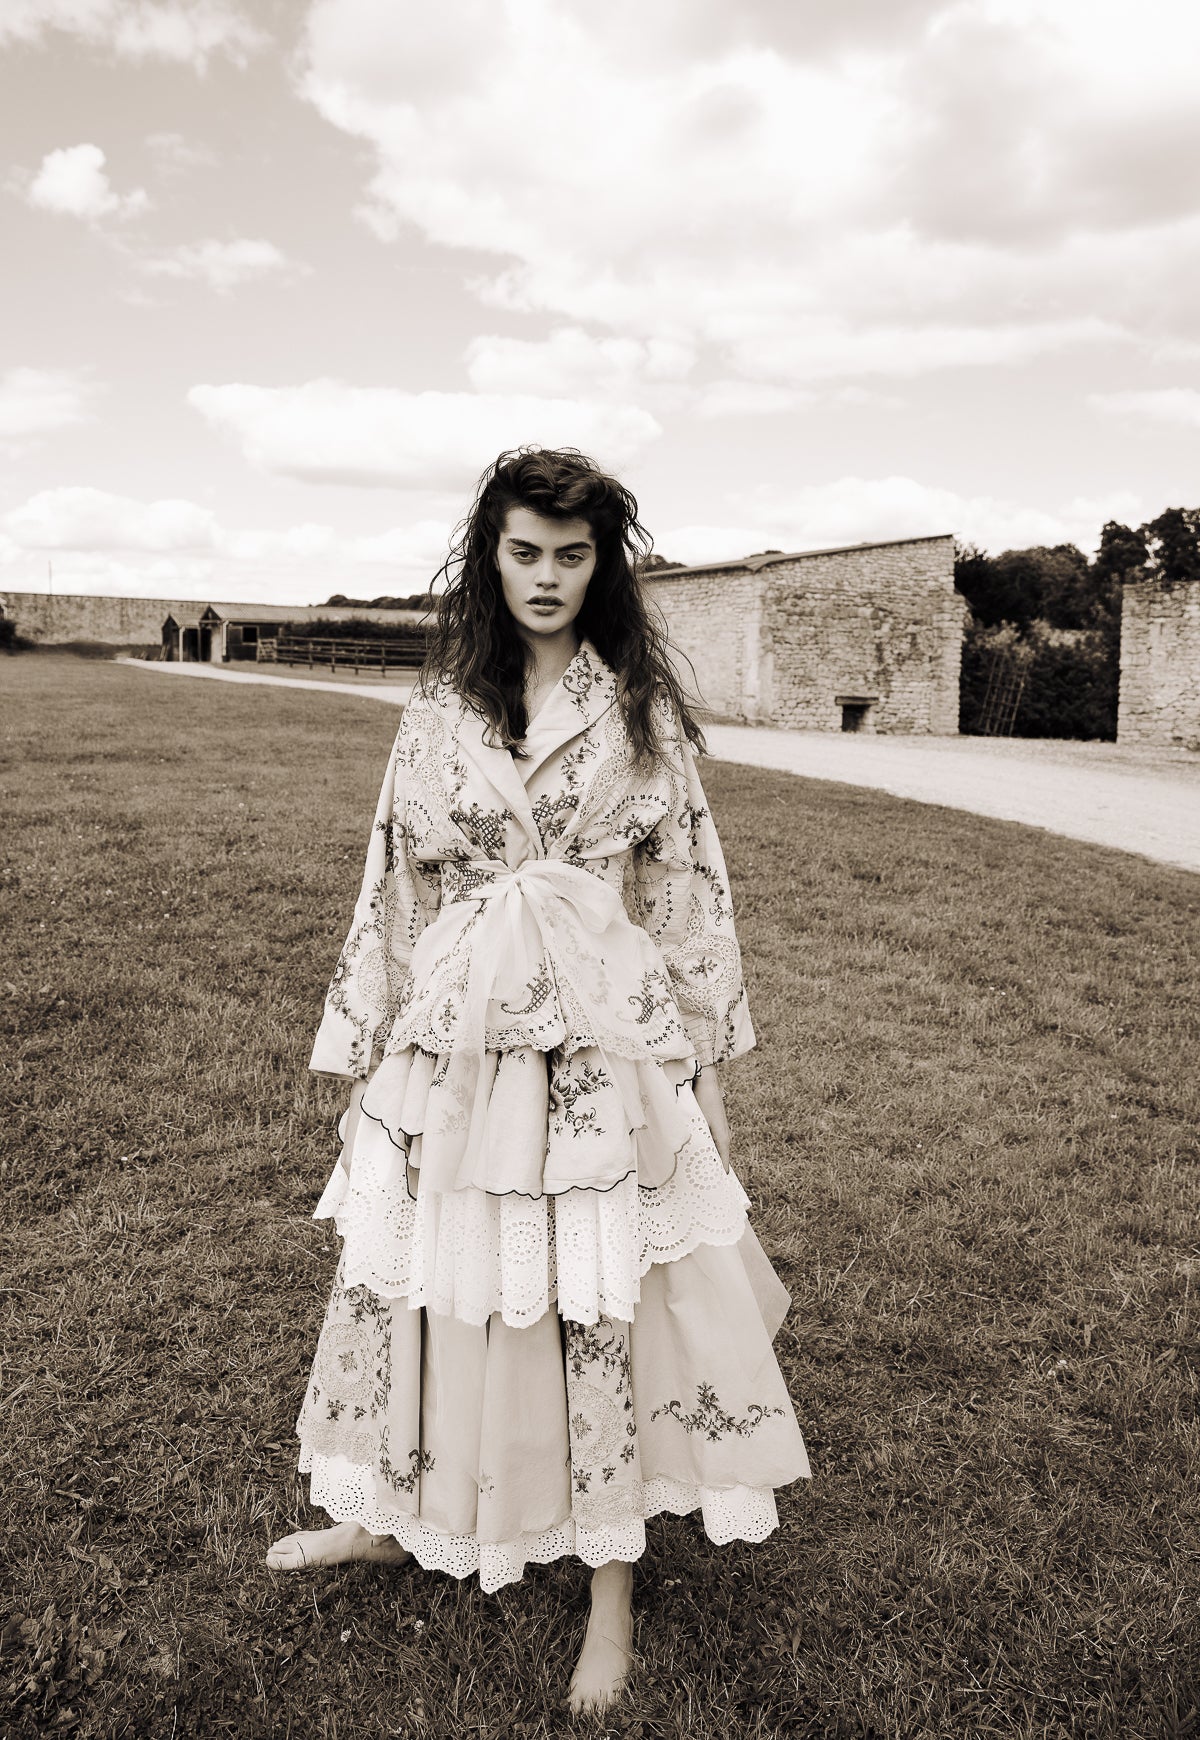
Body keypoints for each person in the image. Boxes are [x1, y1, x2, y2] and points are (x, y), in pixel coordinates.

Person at [266, 447, 810, 1716]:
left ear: (601, 564)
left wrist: (705, 1073)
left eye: (572, 555)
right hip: (451, 1047)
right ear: (491, 557)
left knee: (595, 1302)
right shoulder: (437, 714)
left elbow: (687, 896)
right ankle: (390, 1513)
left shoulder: (639, 715)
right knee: (424, 1284)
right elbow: (393, 885)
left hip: (597, 1054)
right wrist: (364, 1059)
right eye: (525, 552)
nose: (548, 577)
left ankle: (610, 1589)